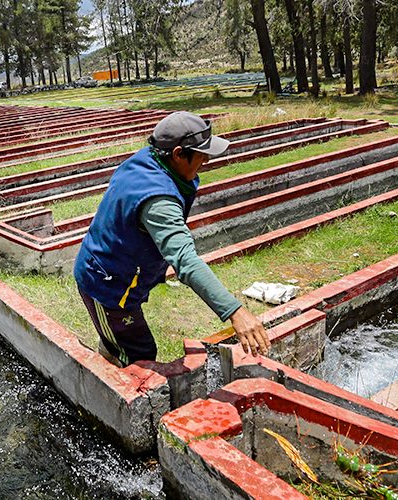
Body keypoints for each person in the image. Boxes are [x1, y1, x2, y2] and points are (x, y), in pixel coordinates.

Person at [73, 112, 271, 367]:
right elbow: (185, 261)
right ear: (178, 154)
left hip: (119, 270)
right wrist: (236, 312)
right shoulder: (158, 200)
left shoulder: (150, 159)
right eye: (201, 154)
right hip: (106, 285)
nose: (207, 160)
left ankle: (110, 351)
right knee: (137, 356)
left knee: (127, 344)